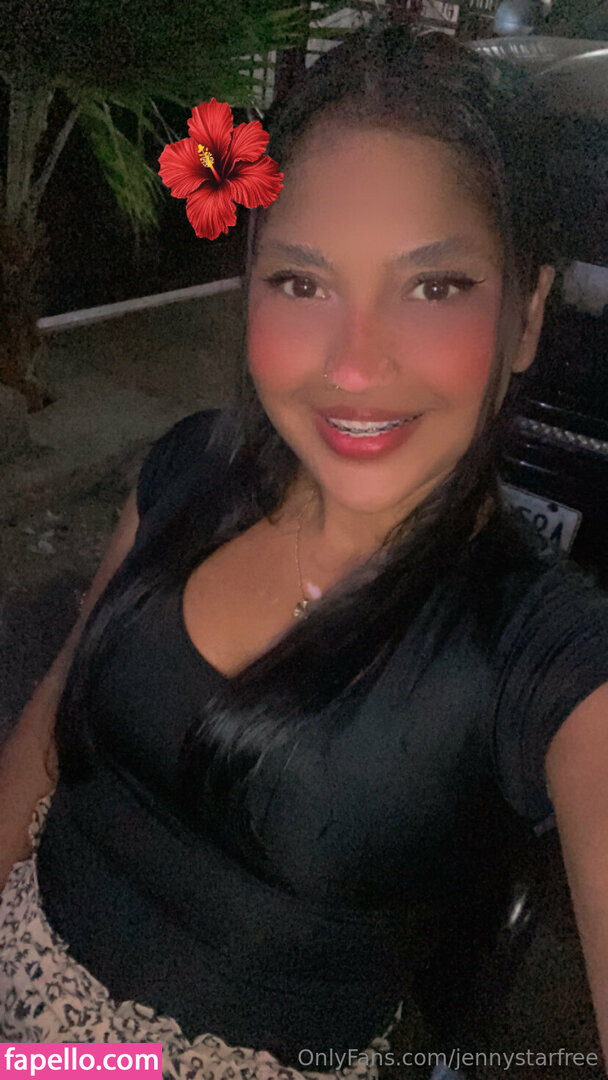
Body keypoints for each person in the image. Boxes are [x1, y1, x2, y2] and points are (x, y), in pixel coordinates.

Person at [1, 20, 608, 1080]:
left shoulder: (542, 655)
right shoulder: (188, 471)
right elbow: (50, 726)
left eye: (432, 288)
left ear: (525, 317)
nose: (353, 366)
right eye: (302, 283)